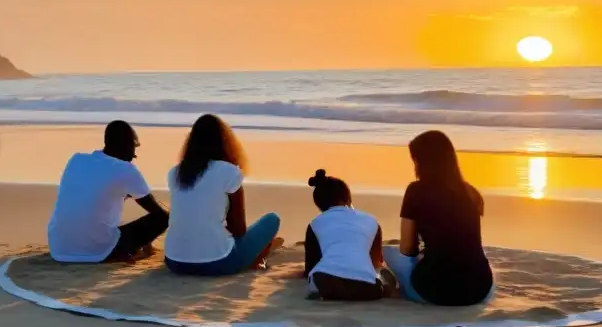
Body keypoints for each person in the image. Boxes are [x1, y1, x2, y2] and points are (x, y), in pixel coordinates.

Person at [383, 130, 493, 306]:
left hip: (435, 290)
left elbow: (407, 248)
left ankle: (396, 289)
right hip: (480, 288)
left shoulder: (415, 191)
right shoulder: (471, 192)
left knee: (388, 252)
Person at [164, 114, 282, 276]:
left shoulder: (175, 172)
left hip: (174, 261)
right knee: (272, 219)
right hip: (217, 263)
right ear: (223, 141)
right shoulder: (230, 172)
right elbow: (239, 229)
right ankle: (259, 263)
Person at [47, 120, 169, 263]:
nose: (134, 155)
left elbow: (93, 196)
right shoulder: (126, 169)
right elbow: (156, 211)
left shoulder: (76, 159)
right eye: (134, 147)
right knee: (163, 218)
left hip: (59, 247)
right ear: (128, 145)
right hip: (97, 251)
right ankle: (124, 253)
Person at [303, 169, 388, 301]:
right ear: (348, 197)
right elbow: (375, 262)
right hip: (367, 287)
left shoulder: (315, 224)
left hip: (326, 282)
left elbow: (311, 266)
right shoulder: (372, 221)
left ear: (319, 204)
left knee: (317, 278)